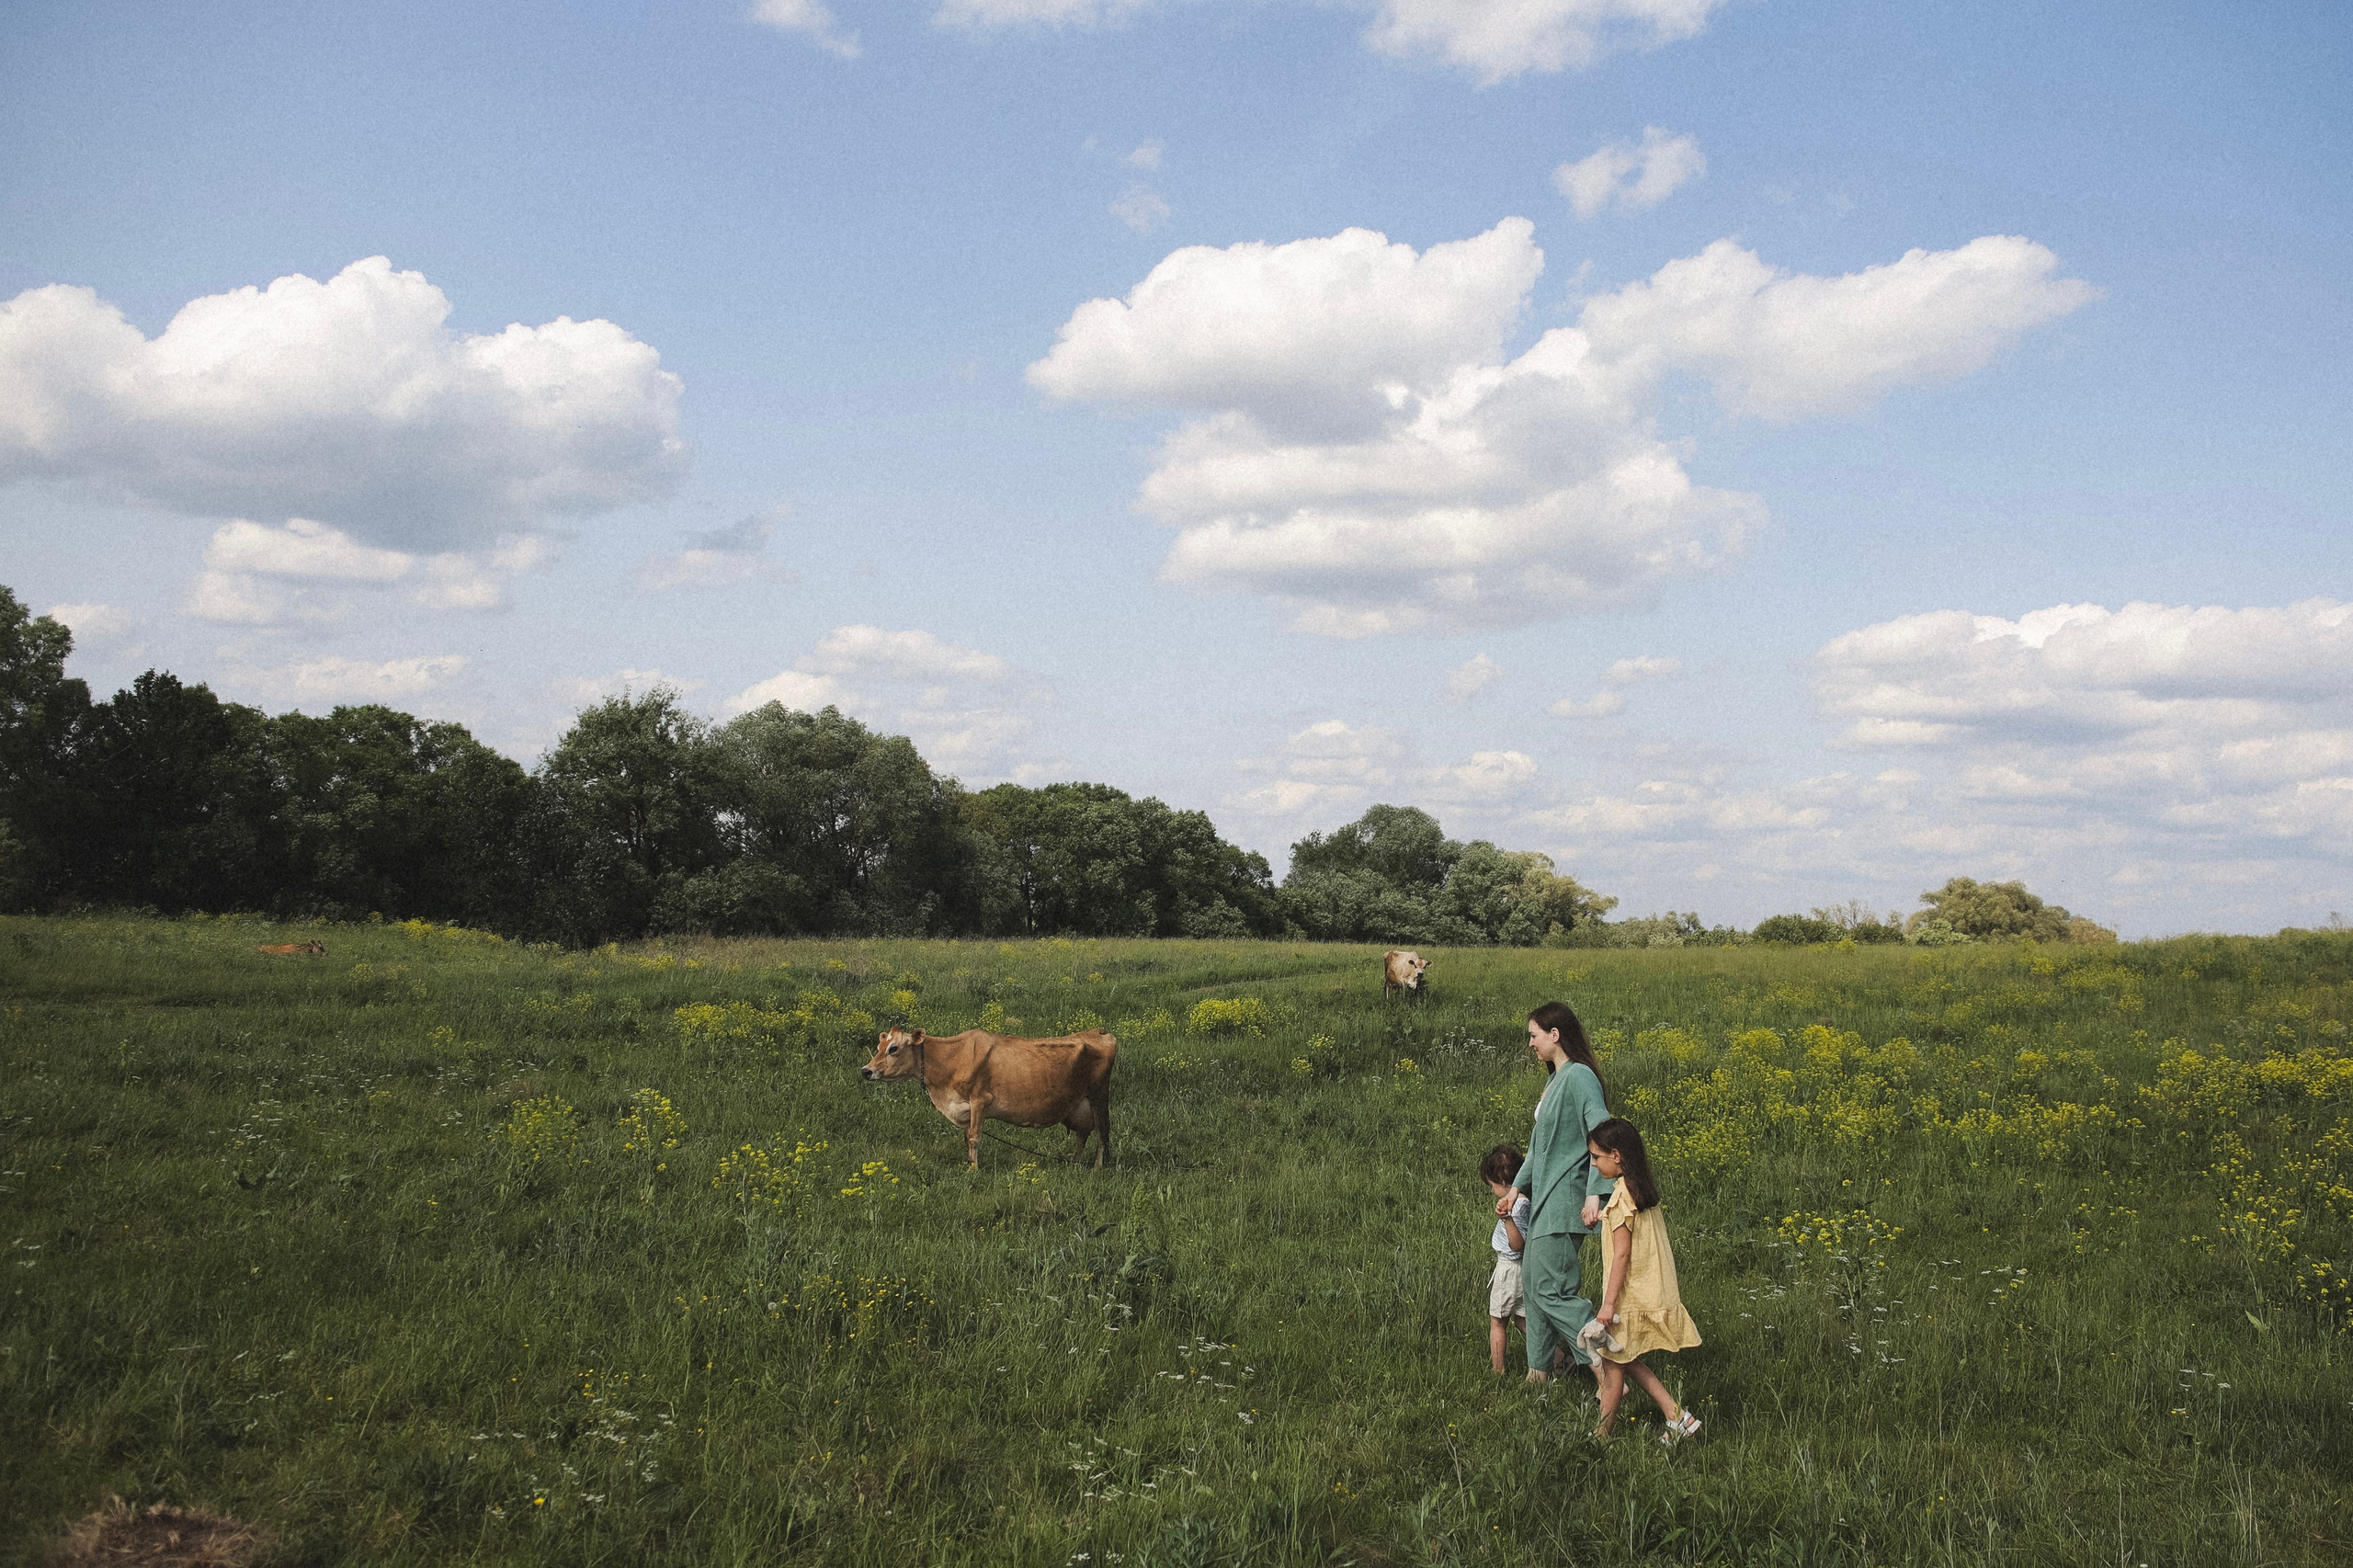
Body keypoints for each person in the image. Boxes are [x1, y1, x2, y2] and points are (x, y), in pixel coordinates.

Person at [1498, 1001, 1615, 1384]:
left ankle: (1606, 1368)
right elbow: (1537, 1150)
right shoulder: (1554, 1081)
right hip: (1543, 1201)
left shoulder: (1580, 1077)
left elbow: (1602, 1133)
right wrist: (1516, 1190)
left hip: (1566, 1201)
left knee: (1552, 1291)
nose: (1530, 1043)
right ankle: (1539, 1372)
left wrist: (1594, 1194)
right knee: (1534, 1289)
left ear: (1555, 1034)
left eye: (1534, 1036)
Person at [1585, 1116, 1703, 1443]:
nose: (1593, 1164)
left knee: (1613, 1367)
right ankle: (1677, 1416)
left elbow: (1622, 1255)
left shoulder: (1621, 1199)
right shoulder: (1639, 1191)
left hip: (1630, 1296)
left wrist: (1608, 1305)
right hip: (1647, 1290)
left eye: (1596, 1156)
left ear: (1616, 1156)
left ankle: (1599, 1439)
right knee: (1624, 1357)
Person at [1480, 1144, 1532, 1375]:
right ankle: (1559, 1360)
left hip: (1509, 1269)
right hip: (1524, 1270)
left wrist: (1506, 1219)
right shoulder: (1526, 1200)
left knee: (1498, 1321)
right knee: (1523, 1321)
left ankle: (1497, 1370)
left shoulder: (1516, 1207)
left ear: (1502, 1182)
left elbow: (1518, 1245)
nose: (1493, 1190)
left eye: (1492, 1185)